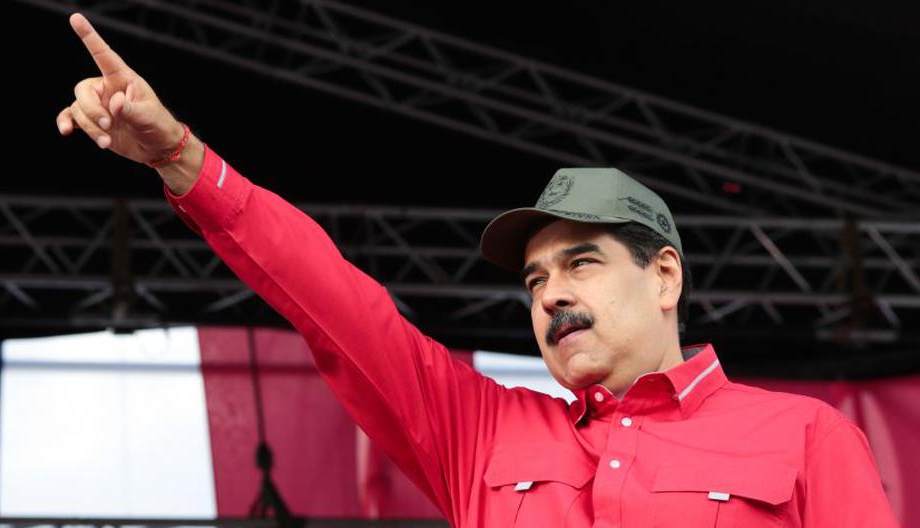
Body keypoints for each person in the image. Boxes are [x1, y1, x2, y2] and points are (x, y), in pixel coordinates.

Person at [57, 13, 900, 527]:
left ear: (666, 276)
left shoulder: (805, 439)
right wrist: (179, 156)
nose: (553, 295)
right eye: (534, 282)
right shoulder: (483, 432)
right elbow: (334, 302)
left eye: (582, 263)